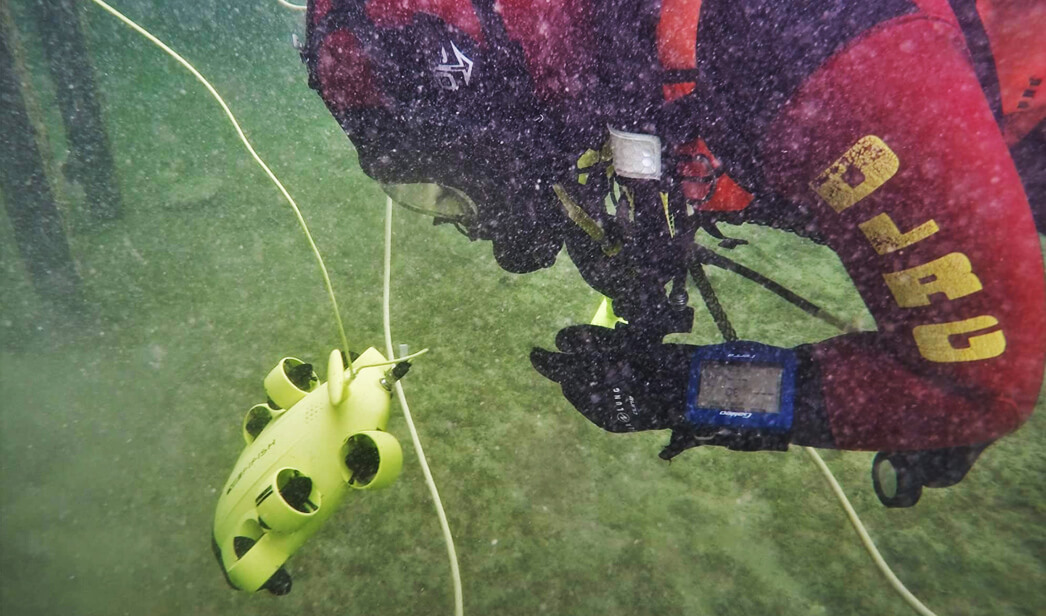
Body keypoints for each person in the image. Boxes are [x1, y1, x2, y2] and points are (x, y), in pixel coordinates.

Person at [301, 0, 1045, 504]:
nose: (466, 222)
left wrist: (684, 390)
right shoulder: (602, 47)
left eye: (452, 186)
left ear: (495, 123)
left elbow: (978, 386)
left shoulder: (800, 56)